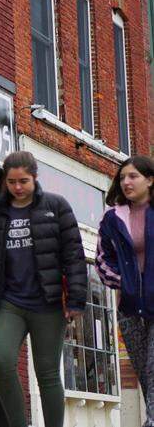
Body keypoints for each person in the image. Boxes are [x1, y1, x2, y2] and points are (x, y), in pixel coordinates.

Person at [0, 151, 86, 427]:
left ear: (35, 179)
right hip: (8, 303)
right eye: (12, 181)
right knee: (1, 362)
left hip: (48, 303)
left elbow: (73, 256)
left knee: (47, 372)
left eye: (23, 181)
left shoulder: (56, 206)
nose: (17, 187)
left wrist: (76, 301)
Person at [96, 156, 154, 426]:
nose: (126, 182)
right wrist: (124, 281)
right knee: (145, 373)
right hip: (129, 309)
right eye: (122, 178)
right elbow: (102, 259)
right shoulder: (112, 218)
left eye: (133, 176)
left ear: (150, 180)